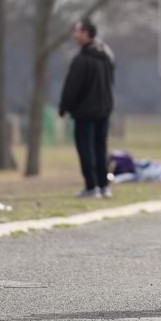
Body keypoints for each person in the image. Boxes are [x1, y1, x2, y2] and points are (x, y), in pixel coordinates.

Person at [58, 18, 116, 199]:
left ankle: (91, 187)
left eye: (77, 31)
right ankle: (104, 186)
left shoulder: (82, 59)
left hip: (85, 112)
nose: (74, 34)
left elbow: (72, 87)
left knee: (86, 149)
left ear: (86, 34)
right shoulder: (107, 55)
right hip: (104, 109)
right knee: (100, 148)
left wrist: (64, 107)